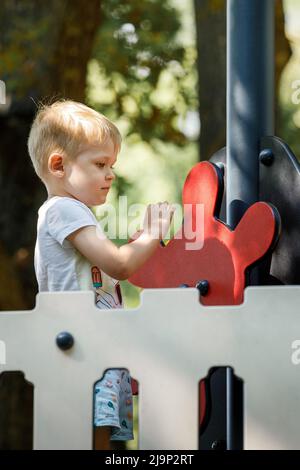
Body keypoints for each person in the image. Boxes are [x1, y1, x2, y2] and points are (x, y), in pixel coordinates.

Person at [28, 99, 175, 449]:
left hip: (93, 340)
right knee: (89, 433)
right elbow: (119, 265)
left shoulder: (72, 212)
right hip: (83, 341)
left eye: (112, 164)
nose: (111, 173)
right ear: (59, 165)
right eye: (100, 163)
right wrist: (153, 233)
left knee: (97, 433)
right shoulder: (64, 210)